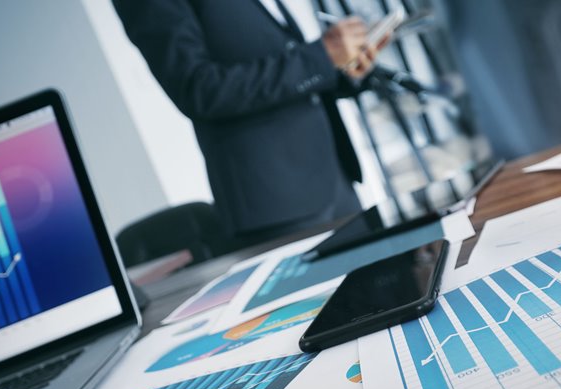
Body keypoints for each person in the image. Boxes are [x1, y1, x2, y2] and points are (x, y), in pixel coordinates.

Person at [113, 0, 388, 247]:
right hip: (275, 203)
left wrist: (340, 70)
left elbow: (277, 57)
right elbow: (198, 89)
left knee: (381, 297)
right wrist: (319, 59)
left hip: (335, 178)